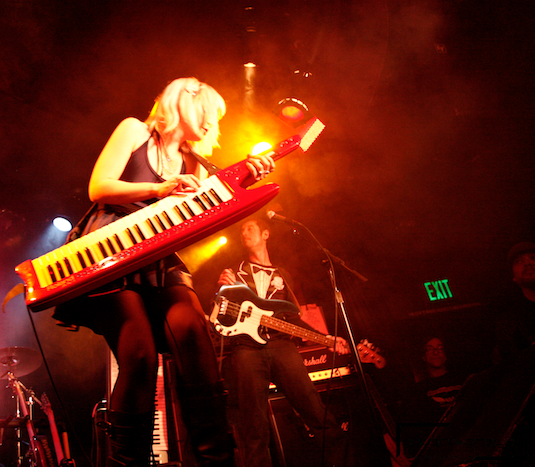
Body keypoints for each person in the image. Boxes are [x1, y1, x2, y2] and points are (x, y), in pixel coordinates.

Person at [52, 77, 274, 467]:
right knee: (138, 355)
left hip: (160, 258)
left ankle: (216, 458)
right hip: (110, 248)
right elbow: (98, 187)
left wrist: (243, 184)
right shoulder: (134, 129)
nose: (212, 123)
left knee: (191, 328)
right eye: (208, 111)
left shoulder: (196, 163)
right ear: (184, 100)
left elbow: (199, 223)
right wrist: (161, 189)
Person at [215, 217, 350, 467]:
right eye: (242, 229)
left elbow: (293, 318)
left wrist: (325, 339)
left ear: (265, 234)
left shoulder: (283, 275)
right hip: (247, 350)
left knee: (317, 412)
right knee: (254, 426)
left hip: (281, 346)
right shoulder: (235, 273)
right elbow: (222, 314)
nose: (245, 232)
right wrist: (221, 290)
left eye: (250, 228)